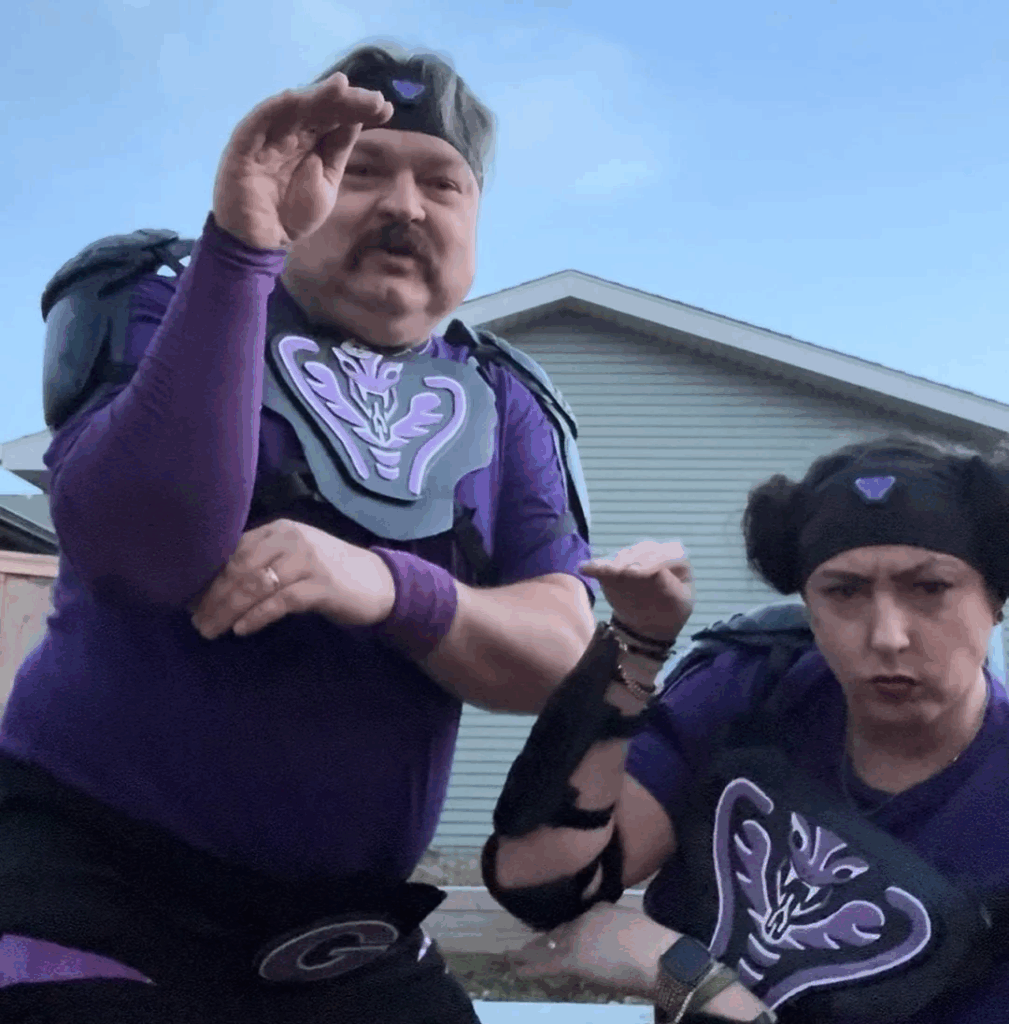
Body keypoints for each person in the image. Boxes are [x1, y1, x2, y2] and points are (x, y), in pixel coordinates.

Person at [0, 42, 596, 1023]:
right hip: (97, 902)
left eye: (441, 182)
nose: (405, 205)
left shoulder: (506, 401)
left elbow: (559, 659)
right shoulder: (167, 303)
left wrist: (389, 586)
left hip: (340, 938)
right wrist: (241, 245)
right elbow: (143, 548)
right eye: (362, 170)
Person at [481, 434, 1009, 1023]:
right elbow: (542, 881)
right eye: (844, 592)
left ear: (996, 598)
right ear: (808, 604)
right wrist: (639, 641)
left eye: (930, 588)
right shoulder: (755, 686)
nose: (887, 635)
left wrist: (684, 978)